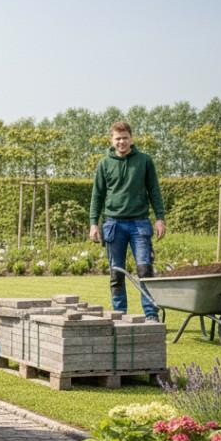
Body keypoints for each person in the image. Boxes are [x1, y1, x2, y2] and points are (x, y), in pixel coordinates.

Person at [89, 121, 166, 323]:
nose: (121, 142)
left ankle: (151, 314)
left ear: (131, 138)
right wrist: (93, 224)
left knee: (145, 269)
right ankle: (119, 315)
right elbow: (97, 195)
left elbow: (154, 191)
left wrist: (159, 218)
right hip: (113, 225)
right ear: (111, 140)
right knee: (116, 273)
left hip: (139, 223)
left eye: (125, 138)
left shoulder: (144, 161)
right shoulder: (104, 164)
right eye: (118, 138)